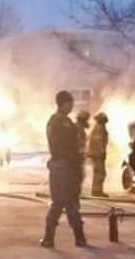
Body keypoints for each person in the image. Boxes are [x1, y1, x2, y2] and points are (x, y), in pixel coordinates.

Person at [41, 91, 86, 248]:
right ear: (64, 103)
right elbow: (69, 145)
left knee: (60, 202)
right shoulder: (62, 122)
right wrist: (76, 166)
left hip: (58, 165)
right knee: (69, 201)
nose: (72, 106)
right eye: (70, 103)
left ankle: (49, 238)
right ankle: (79, 237)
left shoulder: (53, 120)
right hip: (65, 166)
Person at [87, 112, 109, 198]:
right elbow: (98, 141)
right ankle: (97, 191)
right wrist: (102, 151)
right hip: (97, 154)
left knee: (99, 172)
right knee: (100, 173)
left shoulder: (98, 127)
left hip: (96, 153)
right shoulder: (99, 128)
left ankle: (97, 190)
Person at [75, 110, 90, 194]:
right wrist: (81, 153)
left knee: (80, 175)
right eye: (86, 119)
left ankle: (76, 193)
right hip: (77, 157)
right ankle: (75, 193)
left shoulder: (78, 128)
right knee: (78, 176)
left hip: (79, 156)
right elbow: (78, 143)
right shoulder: (78, 129)